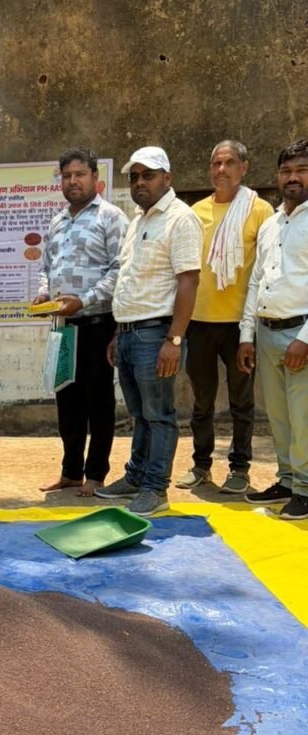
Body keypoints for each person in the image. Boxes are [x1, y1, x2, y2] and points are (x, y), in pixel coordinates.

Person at [95, 146, 203, 517]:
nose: (140, 182)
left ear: (167, 178)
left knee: (159, 415)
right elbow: (131, 281)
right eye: (135, 176)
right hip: (130, 334)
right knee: (140, 414)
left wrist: (174, 339)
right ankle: (136, 476)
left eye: (148, 175)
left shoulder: (180, 218)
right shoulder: (138, 221)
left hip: (157, 335)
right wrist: (118, 332)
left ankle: (155, 488)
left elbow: (188, 281)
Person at [175, 141, 273, 494]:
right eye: (216, 163)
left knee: (241, 402)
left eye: (230, 162)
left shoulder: (260, 210)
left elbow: (267, 267)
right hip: (199, 322)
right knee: (201, 401)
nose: (221, 169)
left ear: (244, 168)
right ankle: (201, 465)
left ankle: (240, 468)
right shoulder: (195, 212)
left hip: (239, 326)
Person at [33, 148, 128, 497]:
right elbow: (47, 268)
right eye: (67, 176)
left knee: (98, 403)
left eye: (80, 174)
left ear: (95, 177)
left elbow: (120, 270)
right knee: (67, 402)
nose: (73, 181)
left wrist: (84, 300)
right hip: (63, 328)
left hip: (98, 324)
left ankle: (96, 475)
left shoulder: (111, 217)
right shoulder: (57, 221)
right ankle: (71, 472)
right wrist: (44, 294)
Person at [239, 139, 308, 520]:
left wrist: (305, 339)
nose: (292, 177)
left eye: (301, 170)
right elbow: (256, 282)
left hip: (301, 334)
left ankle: (306, 488)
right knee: (279, 417)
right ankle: (287, 479)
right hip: (266, 333)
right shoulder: (270, 224)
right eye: (286, 171)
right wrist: (246, 336)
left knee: (304, 417)